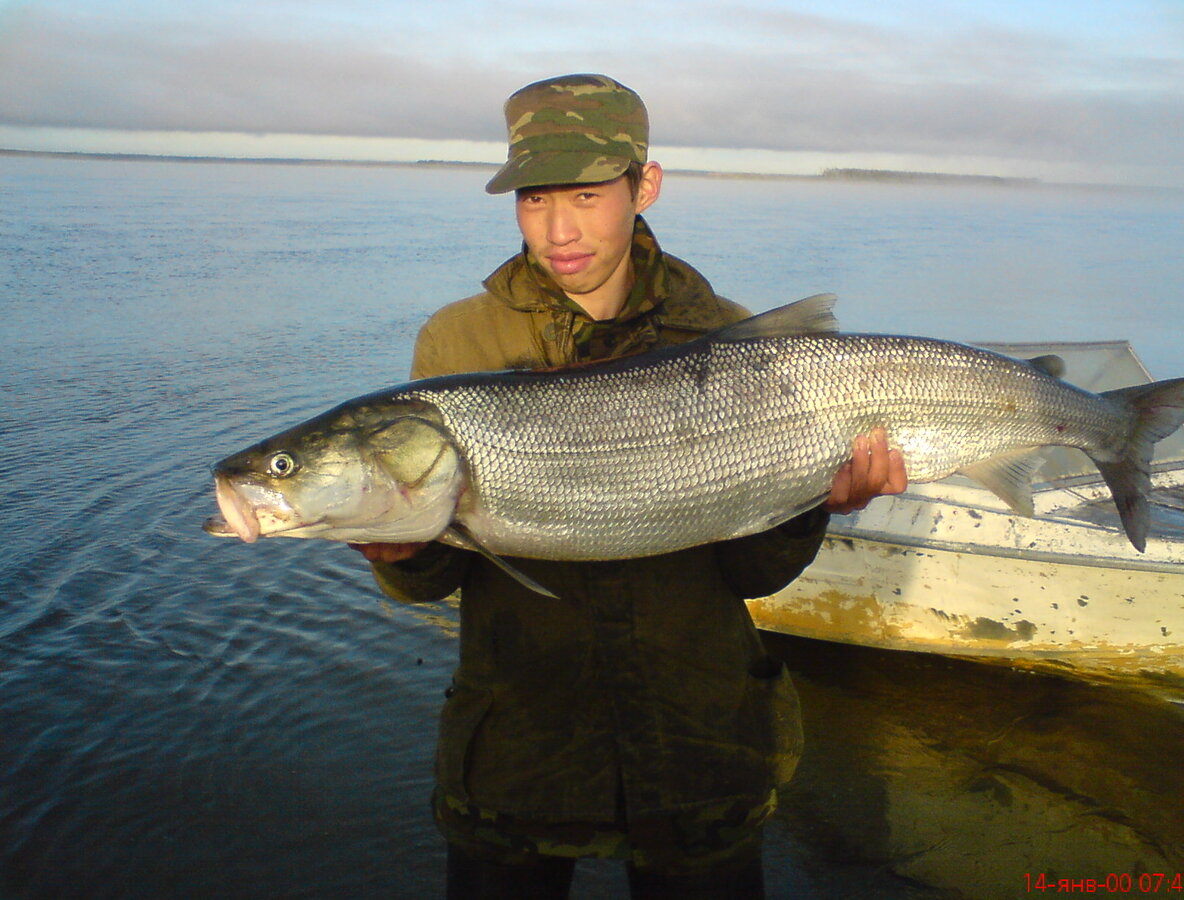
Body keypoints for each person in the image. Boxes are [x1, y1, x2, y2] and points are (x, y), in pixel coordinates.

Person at [353, 74, 906, 899]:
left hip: (698, 745)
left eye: (585, 194)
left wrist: (814, 503)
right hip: (519, 750)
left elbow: (755, 575)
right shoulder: (459, 340)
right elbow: (442, 566)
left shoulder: (730, 336)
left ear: (643, 185)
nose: (559, 228)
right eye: (534, 199)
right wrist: (401, 552)